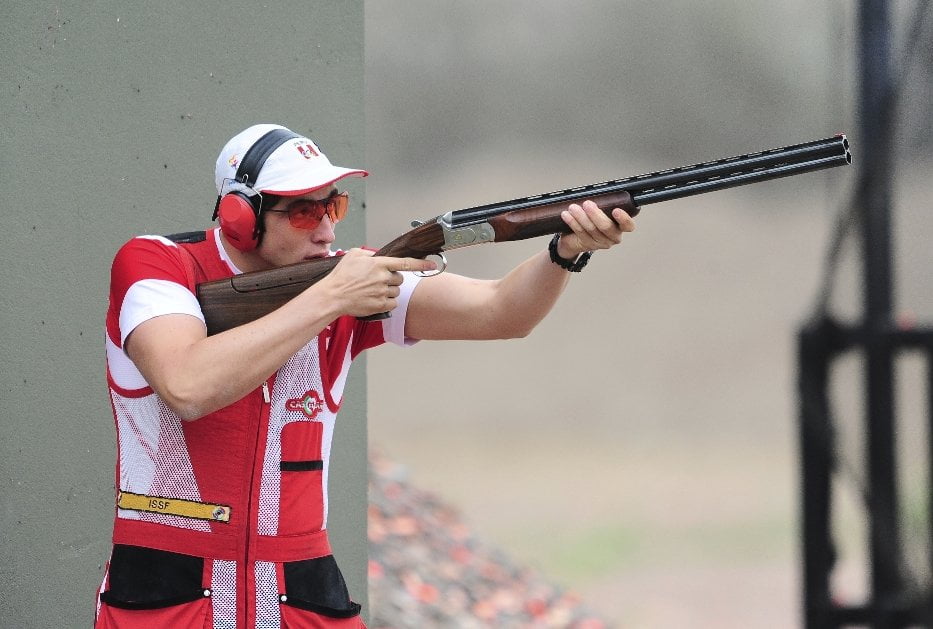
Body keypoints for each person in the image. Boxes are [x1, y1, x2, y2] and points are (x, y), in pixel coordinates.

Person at [94, 123, 635, 628]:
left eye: (335, 205)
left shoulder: (352, 280)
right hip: (170, 589)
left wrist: (564, 253)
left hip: (299, 591)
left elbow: (500, 313)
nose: (328, 225)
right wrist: (332, 297)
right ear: (241, 216)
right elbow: (187, 386)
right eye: (305, 212)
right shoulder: (158, 264)